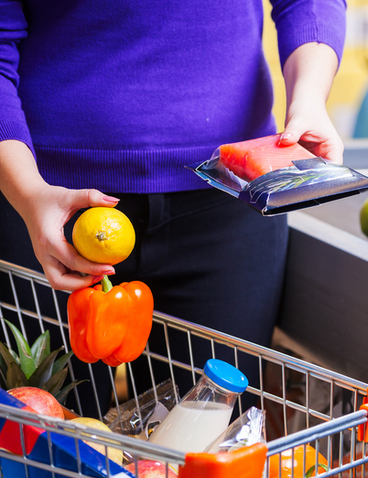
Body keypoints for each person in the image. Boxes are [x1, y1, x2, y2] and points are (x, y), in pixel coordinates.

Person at [0, 0, 346, 416]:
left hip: (229, 198)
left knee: (209, 442)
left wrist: (309, 99)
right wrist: (27, 192)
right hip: (44, 203)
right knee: (46, 447)